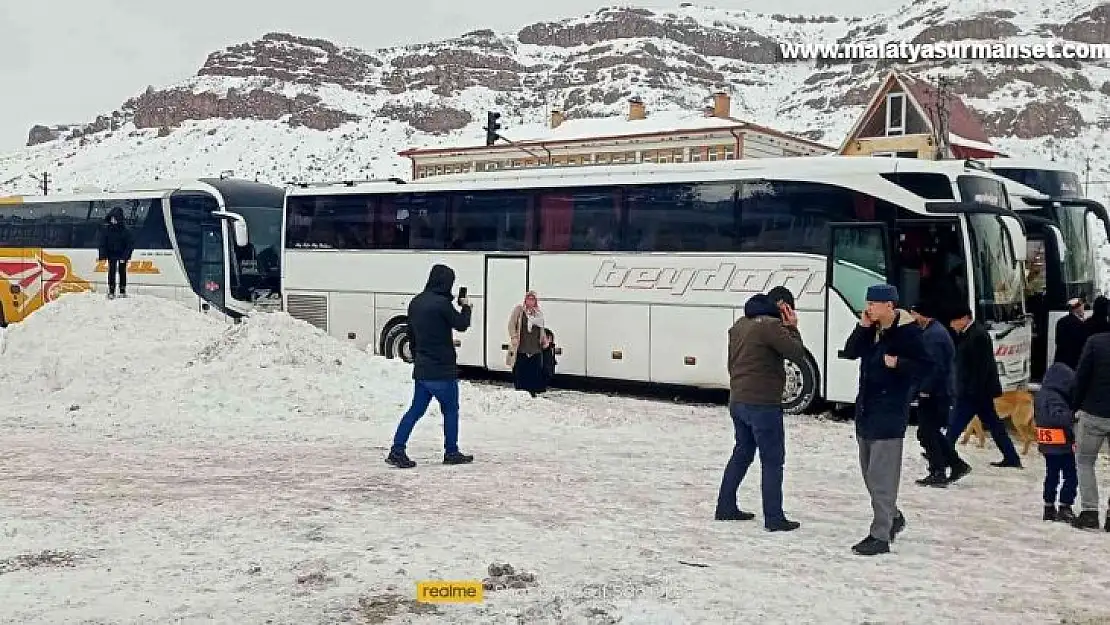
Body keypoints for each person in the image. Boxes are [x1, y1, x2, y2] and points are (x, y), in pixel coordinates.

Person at [839, 284, 928, 556]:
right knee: (869, 474)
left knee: (882, 478)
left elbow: (927, 368)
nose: (868, 308)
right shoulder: (873, 330)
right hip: (866, 412)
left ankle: (880, 535)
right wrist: (862, 327)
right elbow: (851, 351)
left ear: (889, 306)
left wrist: (899, 364)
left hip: (889, 415)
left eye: (873, 304)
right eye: (867, 303)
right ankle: (894, 517)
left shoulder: (909, 333)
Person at [715, 291, 806, 532]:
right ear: (783, 306)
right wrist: (793, 327)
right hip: (763, 403)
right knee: (773, 460)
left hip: (738, 399)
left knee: (742, 451)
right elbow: (796, 353)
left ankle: (725, 506)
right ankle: (774, 518)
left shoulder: (740, 324)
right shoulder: (771, 326)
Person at [386, 264, 474, 469]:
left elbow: (411, 335)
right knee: (451, 409)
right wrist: (467, 306)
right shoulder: (442, 304)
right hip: (442, 370)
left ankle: (397, 449)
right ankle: (451, 451)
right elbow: (461, 324)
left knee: (415, 410)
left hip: (423, 369)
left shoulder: (415, 303)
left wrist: (418, 358)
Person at [945, 306, 1022, 468]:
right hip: (977, 391)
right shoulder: (969, 333)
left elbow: (981, 367)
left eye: (953, 321)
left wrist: (971, 391)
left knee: (955, 424)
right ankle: (1011, 457)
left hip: (974, 392)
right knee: (994, 425)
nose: (952, 325)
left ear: (964, 318)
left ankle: (942, 454)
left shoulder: (977, 335)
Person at [909, 302, 971, 487]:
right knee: (930, 432)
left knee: (927, 433)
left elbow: (933, 367)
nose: (912, 319)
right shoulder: (934, 331)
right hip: (939, 392)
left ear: (923, 315)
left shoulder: (933, 336)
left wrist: (924, 390)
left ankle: (939, 471)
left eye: (914, 314)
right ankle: (955, 464)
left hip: (935, 394)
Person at [1070, 327, 1110, 530]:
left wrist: (1074, 407)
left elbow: (1081, 377)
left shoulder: (1095, 342)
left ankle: (1090, 513)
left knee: (1085, 462)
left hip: (1094, 411)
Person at [1034, 362, 1078, 524]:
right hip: (1061, 444)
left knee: (1051, 476)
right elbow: (1058, 417)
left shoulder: (1041, 395)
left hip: (1047, 444)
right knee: (1070, 476)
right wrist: (1073, 416)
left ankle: (1048, 506)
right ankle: (1065, 505)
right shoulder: (1056, 397)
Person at [506, 291, 547, 396]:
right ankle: (520, 392)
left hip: (535, 348)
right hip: (522, 347)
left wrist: (544, 339)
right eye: (529, 298)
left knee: (534, 372)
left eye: (533, 299)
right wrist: (514, 337)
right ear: (525, 300)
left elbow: (541, 328)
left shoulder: (538, 313)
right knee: (521, 370)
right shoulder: (519, 310)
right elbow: (511, 324)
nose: (530, 301)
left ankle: (532, 392)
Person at [97, 206, 134, 299]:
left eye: (115, 218)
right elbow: (103, 243)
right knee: (111, 272)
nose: (113, 220)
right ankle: (111, 291)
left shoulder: (125, 231)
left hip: (122, 254)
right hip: (111, 254)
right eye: (112, 218)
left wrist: (125, 257)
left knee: (122, 272)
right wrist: (102, 256)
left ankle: (122, 290)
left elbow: (129, 245)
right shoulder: (107, 230)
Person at [1054, 297, 1087, 369]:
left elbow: (1057, 341)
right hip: (1073, 362)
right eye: (1082, 307)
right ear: (1077, 308)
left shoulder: (1061, 321)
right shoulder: (1079, 324)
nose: (1083, 309)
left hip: (1060, 360)